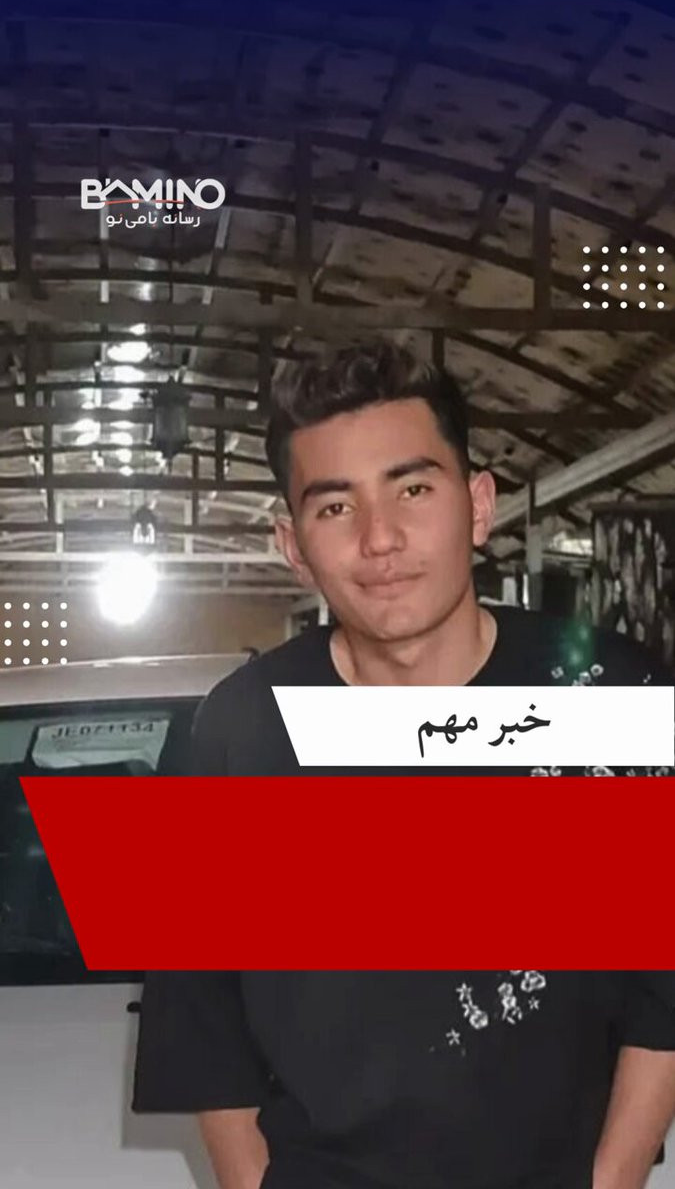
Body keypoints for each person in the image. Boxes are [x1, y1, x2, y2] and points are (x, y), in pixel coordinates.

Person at [132, 343, 675, 1189]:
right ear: (292, 544)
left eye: (412, 489)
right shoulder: (242, 732)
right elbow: (205, 1026)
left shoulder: (604, 693)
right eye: (334, 506)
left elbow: (660, 992)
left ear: (478, 505)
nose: (380, 539)